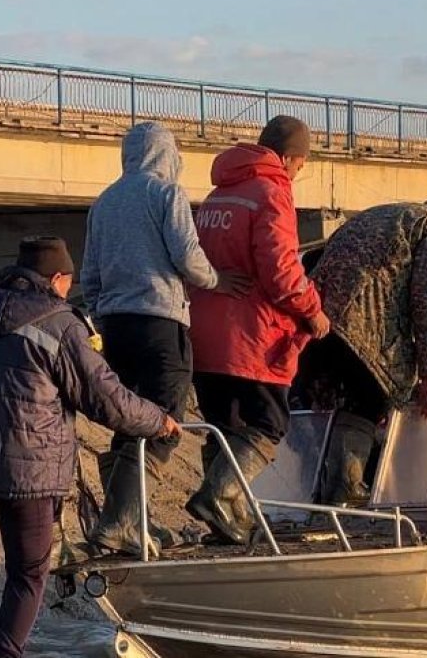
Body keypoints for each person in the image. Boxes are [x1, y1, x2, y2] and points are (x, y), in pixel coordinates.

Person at [0, 237, 181, 658]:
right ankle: (4, 652)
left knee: (24, 562)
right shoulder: (60, 323)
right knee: (29, 572)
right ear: (59, 278)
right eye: (68, 283)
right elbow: (108, 401)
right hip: (29, 470)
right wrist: (159, 421)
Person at [80, 121, 248, 555]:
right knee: (163, 423)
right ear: (168, 155)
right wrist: (217, 281)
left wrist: (102, 313)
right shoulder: (166, 194)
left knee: (129, 419)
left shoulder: (104, 202)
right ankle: (120, 523)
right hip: (160, 322)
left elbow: (90, 274)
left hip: (115, 326)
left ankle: (127, 520)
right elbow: (187, 257)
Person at [186, 115, 330, 543]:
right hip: (253, 339)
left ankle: (228, 521)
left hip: (205, 335)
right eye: (301, 163)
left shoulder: (219, 194)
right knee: (269, 424)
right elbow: (282, 272)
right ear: (288, 157)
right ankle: (218, 497)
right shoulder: (271, 192)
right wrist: (313, 310)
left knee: (225, 428)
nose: (299, 171)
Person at [294, 188, 427, 505]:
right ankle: (346, 488)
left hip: (319, 326)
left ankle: (320, 497)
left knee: (330, 406)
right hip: (361, 329)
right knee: (372, 397)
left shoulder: (383, 215)